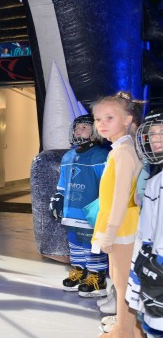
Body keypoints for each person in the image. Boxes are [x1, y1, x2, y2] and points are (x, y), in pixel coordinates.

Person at [86, 92, 144, 338]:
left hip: (123, 229)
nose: (102, 124)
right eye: (98, 119)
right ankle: (132, 334)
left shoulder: (123, 152)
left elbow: (121, 197)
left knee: (122, 285)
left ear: (127, 120)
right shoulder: (119, 150)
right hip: (121, 227)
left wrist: (109, 232)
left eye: (109, 118)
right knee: (119, 281)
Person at [48, 115, 109, 296]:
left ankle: (97, 276)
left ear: (95, 132)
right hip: (71, 209)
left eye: (84, 127)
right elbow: (63, 181)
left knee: (90, 243)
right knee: (74, 241)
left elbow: (106, 185)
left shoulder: (101, 155)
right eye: (77, 127)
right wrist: (59, 197)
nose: (79, 130)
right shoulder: (68, 156)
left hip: (89, 211)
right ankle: (79, 271)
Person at [127, 109, 163, 338]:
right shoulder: (153, 182)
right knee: (154, 321)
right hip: (156, 263)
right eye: (152, 134)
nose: (156, 139)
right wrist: (144, 257)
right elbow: (147, 227)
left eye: (162, 133)